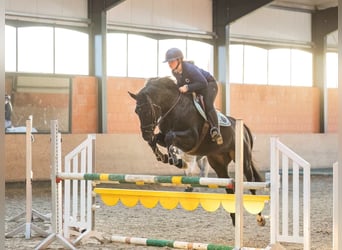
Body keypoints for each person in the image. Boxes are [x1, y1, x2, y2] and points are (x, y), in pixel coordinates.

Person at [163, 48, 223, 145]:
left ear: (179, 60)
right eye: (168, 62)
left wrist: (187, 87)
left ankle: (215, 130)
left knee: (208, 104)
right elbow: (180, 84)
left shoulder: (190, 69)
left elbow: (203, 83)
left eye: (171, 61)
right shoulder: (174, 71)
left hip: (209, 85)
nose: (169, 64)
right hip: (196, 87)